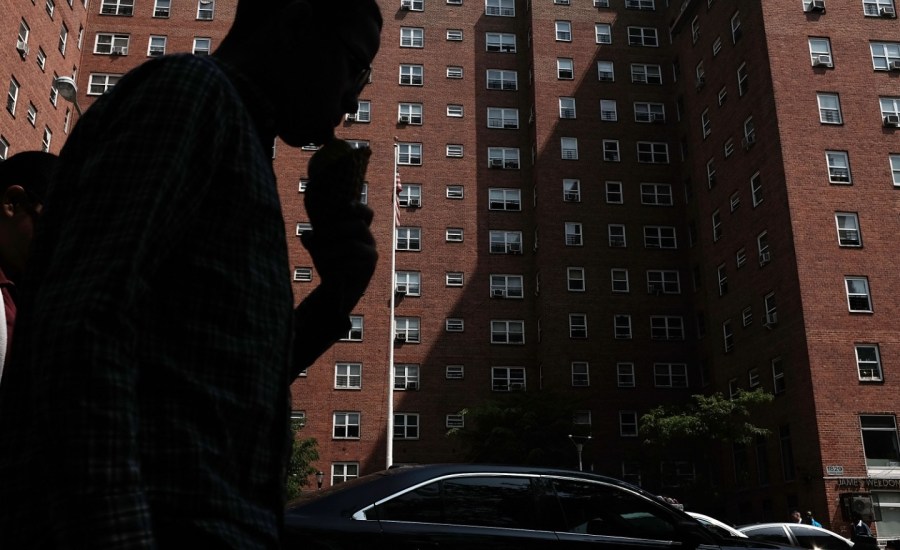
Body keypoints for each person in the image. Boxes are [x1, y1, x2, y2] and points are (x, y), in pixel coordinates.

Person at [0, 0, 381, 547]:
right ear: (295, 22)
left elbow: (228, 393)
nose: (353, 95)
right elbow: (81, 329)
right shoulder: (193, 97)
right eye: (355, 64)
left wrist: (338, 294)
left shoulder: (241, 140)